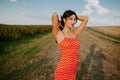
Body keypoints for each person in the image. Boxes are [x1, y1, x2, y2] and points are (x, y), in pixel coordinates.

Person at [51, 10, 88, 80]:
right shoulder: (59, 34)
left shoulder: (75, 34)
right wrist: (62, 18)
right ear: (65, 20)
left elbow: (86, 19)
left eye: (75, 20)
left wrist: (75, 16)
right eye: (70, 19)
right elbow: (54, 15)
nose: (73, 22)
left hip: (73, 71)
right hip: (63, 71)